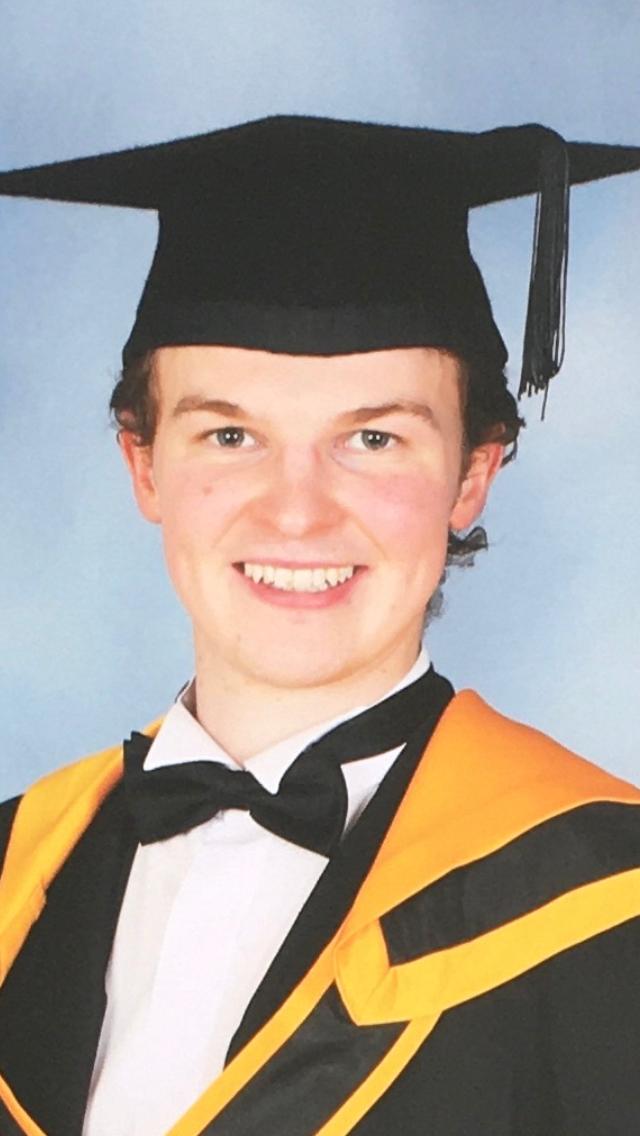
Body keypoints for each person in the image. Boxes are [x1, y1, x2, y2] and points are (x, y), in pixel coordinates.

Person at [0, 115, 639, 1136]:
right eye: (230, 434)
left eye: (372, 439)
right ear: (144, 466)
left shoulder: (605, 903)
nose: (295, 513)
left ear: (471, 474)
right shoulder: (15, 870)